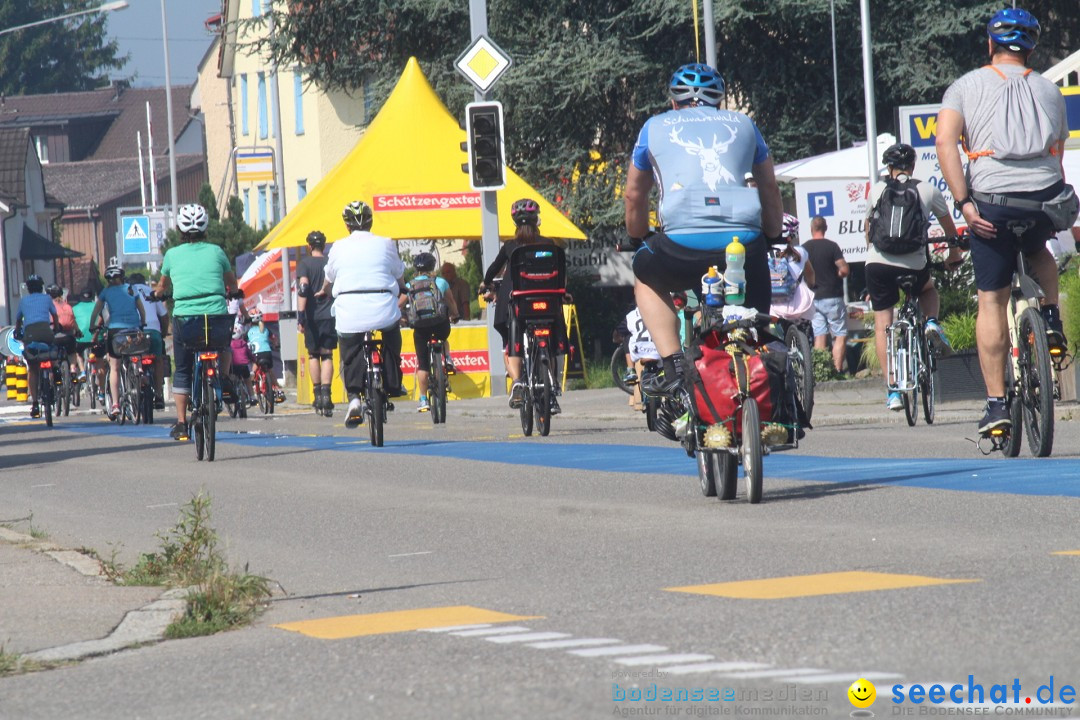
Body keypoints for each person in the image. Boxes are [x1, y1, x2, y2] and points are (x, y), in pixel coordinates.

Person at [937, 7, 1074, 434]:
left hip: (993, 204)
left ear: (990, 44)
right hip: (1045, 200)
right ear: (1031, 49)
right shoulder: (1050, 90)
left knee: (992, 301)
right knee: (1038, 248)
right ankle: (1050, 318)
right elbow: (1058, 149)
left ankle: (997, 406)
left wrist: (964, 204)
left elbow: (945, 143)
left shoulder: (964, 86)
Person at [623, 63, 784, 396]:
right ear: (720, 100)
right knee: (754, 321)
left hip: (680, 245)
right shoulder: (744, 124)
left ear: (674, 102)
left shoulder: (653, 127)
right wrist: (772, 235)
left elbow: (634, 195)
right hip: (744, 242)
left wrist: (638, 237)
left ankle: (673, 366)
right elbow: (769, 188)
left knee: (645, 274)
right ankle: (763, 364)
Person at [864, 143, 963, 411]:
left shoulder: (876, 190)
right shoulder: (928, 190)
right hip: (913, 265)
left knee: (884, 323)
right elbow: (949, 231)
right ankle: (931, 322)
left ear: (889, 168)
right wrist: (954, 254)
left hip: (878, 265)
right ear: (913, 166)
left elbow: (868, 233)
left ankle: (893, 390)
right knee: (928, 289)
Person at [320, 200, 406, 428]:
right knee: (392, 337)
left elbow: (328, 279)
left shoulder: (338, 247)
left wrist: (323, 291)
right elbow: (399, 274)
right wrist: (403, 287)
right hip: (384, 308)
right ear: (371, 222)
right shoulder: (386, 243)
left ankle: (355, 399)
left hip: (351, 311)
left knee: (349, 353)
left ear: (347, 226)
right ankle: (394, 379)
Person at [156, 203, 238, 442]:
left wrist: (159, 293)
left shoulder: (172, 255)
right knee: (224, 346)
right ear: (205, 228)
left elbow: (162, 286)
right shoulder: (217, 251)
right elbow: (231, 283)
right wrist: (234, 291)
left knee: (182, 368)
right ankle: (222, 377)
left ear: (180, 229)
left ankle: (182, 424)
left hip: (186, 320)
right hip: (216, 318)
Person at [480, 198, 568, 412]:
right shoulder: (549, 245)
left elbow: (494, 268)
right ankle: (553, 387)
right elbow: (563, 271)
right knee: (553, 341)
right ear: (537, 220)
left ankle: (518, 381)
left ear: (515, 224)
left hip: (520, 303)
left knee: (513, 338)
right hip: (548, 301)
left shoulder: (511, 246)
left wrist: (486, 283)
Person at [89, 264, 146, 419]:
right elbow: (141, 309)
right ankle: (138, 369)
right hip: (133, 329)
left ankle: (115, 404)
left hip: (115, 331)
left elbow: (96, 311)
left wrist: (91, 326)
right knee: (136, 352)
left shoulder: (106, 292)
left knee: (114, 368)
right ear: (122, 276)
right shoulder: (131, 289)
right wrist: (142, 323)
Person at [405, 252, 459, 413]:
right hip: (439, 324)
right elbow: (450, 301)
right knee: (444, 337)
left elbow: (400, 303)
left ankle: (423, 400)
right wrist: (455, 315)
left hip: (420, 327)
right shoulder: (440, 282)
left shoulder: (410, 285)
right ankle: (447, 358)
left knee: (422, 364)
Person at [296, 229, 337, 417]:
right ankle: (327, 396)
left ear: (309, 246)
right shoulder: (330, 262)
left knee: (313, 355)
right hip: (330, 314)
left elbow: (303, 289)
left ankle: (317, 394)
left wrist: (301, 316)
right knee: (327, 355)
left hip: (312, 316)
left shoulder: (304, 264)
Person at [804, 216, 850, 374]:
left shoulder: (805, 248)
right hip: (832, 297)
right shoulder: (832, 247)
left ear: (811, 229)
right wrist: (836, 273)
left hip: (814, 298)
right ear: (826, 228)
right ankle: (837, 370)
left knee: (819, 334)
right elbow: (844, 270)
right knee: (840, 334)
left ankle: (820, 371)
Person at [13, 274, 59, 418]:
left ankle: (34, 404)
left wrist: (17, 331)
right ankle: (56, 370)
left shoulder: (23, 301)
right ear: (41, 287)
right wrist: (56, 328)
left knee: (33, 368)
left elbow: (18, 319)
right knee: (52, 348)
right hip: (45, 331)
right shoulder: (47, 299)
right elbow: (55, 315)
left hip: (30, 333)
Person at [129, 273, 170, 409]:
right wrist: (162, 333)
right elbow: (164, 316)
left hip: (135, 332)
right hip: (153, 331)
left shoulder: (128, 292)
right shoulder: (151, 292)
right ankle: (158, 394)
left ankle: (137, 376)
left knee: (133, 357)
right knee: (158, 360)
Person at [769, 213, 817, 323]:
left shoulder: (765, 253)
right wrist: (811, 285)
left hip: (773, 307)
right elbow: (810, 275)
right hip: (800, 305)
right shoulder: (800, 252)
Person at [46, 284, 80, 380]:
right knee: (72, 353)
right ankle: (73, 369)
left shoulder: (49, 306)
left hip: (55, 336)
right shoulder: (67, 306)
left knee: (53, 354)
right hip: (68, 337)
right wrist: (78, 331)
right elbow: (73, 321)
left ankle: (56, 369)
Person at [72, 288, 96, 381]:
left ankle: (82, 371)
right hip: (95, 337)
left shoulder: (74, 308)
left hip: (81, 338)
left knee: (77, 353)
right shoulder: (97, 306)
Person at [246, 309, 275, 388]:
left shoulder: (249, 331)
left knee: (255, 365)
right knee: (270, 370)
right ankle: (277, 387)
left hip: (256, 354)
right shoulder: (266, 329)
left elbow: (244, 342)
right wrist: (276, 345)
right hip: (267, 353)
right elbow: (274, 338)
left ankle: (252, 385)